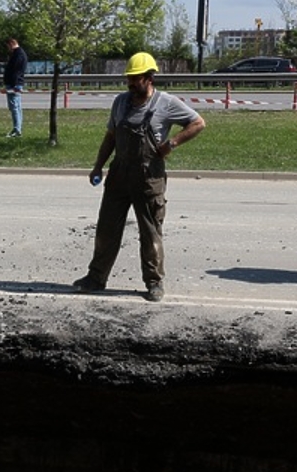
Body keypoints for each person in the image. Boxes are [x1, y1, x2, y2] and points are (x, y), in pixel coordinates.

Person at [73, 52, 206, 303]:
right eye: (129, 79)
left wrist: (172, 143)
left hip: (148, 179)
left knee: (150, 233)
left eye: (136, 79)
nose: (131, 84)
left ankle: (154, 282)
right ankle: (96, 277)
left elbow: (198, 123)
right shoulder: (121, 102)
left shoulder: (165, 103)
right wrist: (98, 166)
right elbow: (111, 137)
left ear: (149, 78)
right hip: (119, 175)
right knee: (106, 230)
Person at [3, 38, 28, 138]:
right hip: (14, 83)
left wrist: (14, 85)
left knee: (14, 107)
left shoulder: (18, 55)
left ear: (11, 44)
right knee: (16, 107)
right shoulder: (18, 54)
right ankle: (17, 128)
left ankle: (17, 129)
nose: (8, 49)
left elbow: (16, 71)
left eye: (8, 46)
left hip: (14, 84)